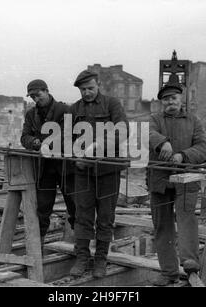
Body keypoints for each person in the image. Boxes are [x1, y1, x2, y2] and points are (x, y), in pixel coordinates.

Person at [148, 81, 206, 286]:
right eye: (165, 99)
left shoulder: (194, 121)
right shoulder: (155, 119)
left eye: (173, 98)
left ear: (180, 99)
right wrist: (162, 142)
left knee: (187, 224)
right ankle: (168, 273)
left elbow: (203, 148)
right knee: (162, 227)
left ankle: (192, 270)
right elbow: (147, 134)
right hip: (160, 180)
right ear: (161, 102)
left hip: (186, 181)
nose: (170, 102)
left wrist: (183, 156)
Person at [69, 70, 128, 278]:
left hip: (108, 170)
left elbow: (121, 132)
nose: (87, 93)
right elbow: (67, 137)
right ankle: (82, 258)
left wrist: (97, 147)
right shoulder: (75, 109)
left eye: (90, 88)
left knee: (105, 216)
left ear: (99, 84)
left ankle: (101, 258)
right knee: (82, 214)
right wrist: (77, 156)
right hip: (83, 172)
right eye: (83, 89)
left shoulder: (112, 104)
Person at [21, 79, 76, 249]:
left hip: (66, 167)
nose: (36, 99)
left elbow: (69, 136)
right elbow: (24, 138)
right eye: (32, 97)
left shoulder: (64, 110)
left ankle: (82, 249)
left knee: (76, 208)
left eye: (38, 95)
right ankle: (38, 250)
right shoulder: (31, 114)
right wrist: (36, 142)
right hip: (44, 169)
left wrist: (46, 143)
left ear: (46, 91)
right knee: (42, 209)